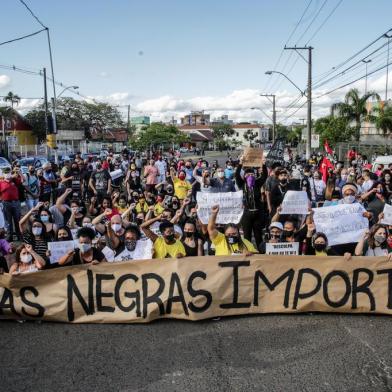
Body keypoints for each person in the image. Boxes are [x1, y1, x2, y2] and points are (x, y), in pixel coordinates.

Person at [235, 160, 268, 245]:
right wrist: (240, 163)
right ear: (244, 176)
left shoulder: (257, 183)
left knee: (258, 235)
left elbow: (264, 175)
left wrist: (263, 164)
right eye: (248, 174)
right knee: (247, 236)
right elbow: (236, 175)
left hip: (257, 213)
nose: (250, 176)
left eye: (252, 174)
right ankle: (248, 252)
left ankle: (261, 252)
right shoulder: (241, 184)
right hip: (246, 214)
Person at [0, 167, 22, 241]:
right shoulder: (1, 182)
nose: (7, 174)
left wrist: (19, 173)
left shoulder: (15, 180)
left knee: (17, 220)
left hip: (15, 202)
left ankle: (19, 235)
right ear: (3, 174)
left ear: (11, 173)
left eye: (8, 172)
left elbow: (23, 180)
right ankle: (10, 236)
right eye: (6, 173)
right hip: (6, 203)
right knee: (8, 221)